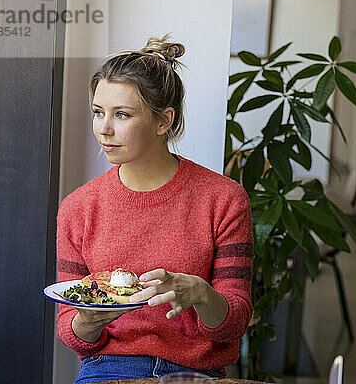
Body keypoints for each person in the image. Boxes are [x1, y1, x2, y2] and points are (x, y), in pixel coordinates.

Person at [55, 35, 254, 383]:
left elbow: (234, 324)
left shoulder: (224, 199)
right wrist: (87, 319)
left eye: (122, 114)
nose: (104, 129)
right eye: (98, 112)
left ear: (163, 121)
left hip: (195, 371)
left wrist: (201, 294)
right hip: (110, 369)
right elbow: (70, 331)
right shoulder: (78, 208)